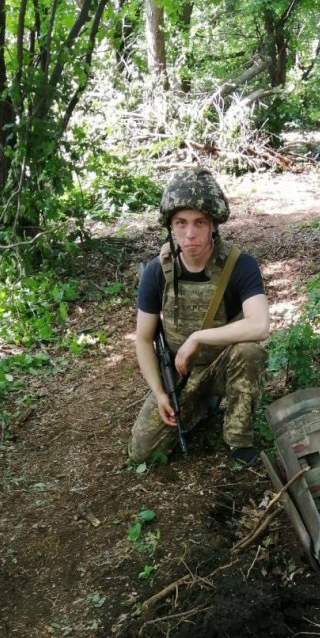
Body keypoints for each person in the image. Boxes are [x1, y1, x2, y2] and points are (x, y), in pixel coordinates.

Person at [128, 168, 270, 465]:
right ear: (170, 226)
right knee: (142, 451)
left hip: (224, 364)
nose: (190, 234)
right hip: (182, 373)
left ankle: (238, 440)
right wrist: (158, 391)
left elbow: (259, 325)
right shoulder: (158, 271)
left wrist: (198, 337)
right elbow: (143, 339)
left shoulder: (239, 265)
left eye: (199, 223)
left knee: (249, 352)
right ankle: (203, 404)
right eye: (181, 223)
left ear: (213, 225)